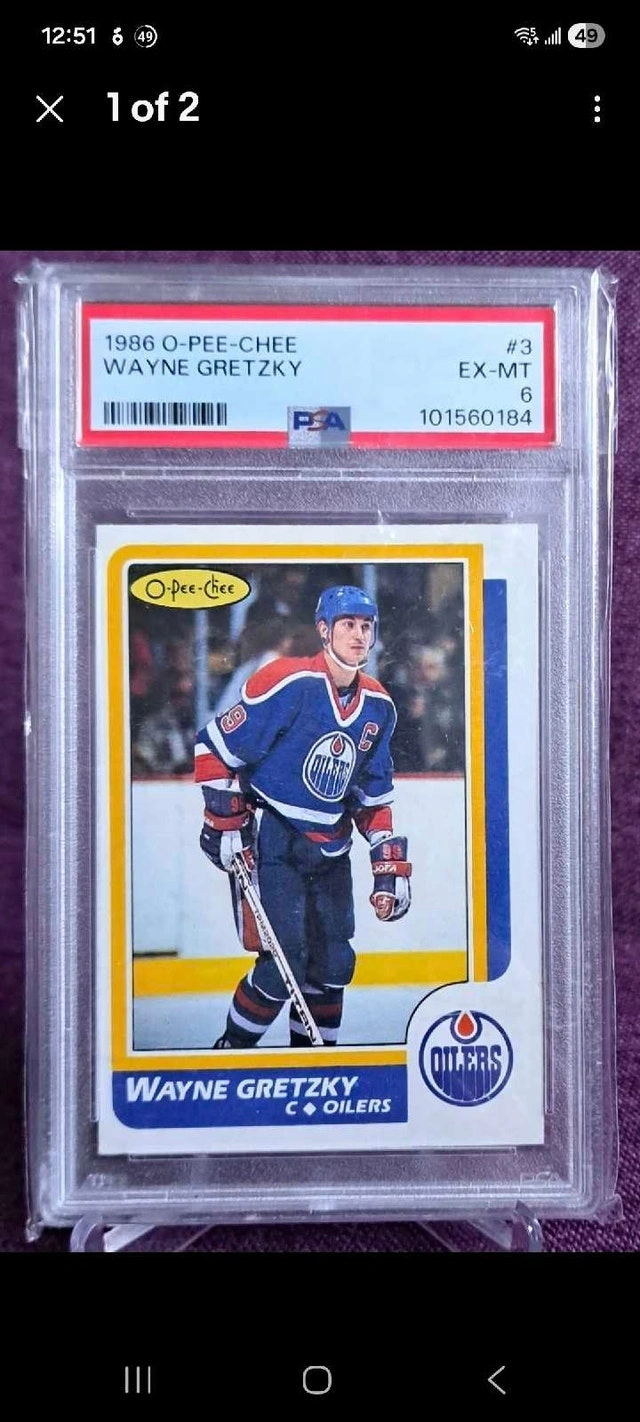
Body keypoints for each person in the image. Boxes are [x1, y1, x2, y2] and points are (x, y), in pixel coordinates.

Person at [194, 585, 412, 1049]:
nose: (358, 635)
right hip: (274, 839)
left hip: (330, 851)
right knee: (282, 964)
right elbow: (213, 748)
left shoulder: (379, 706)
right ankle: (230, 1052)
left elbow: (371, 797)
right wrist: (222, 820)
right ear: (324, 631)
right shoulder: (288, 683)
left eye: (366, 626)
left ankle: (315, 1059)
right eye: (348, 625)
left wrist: (387, 863)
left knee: (334, 964)